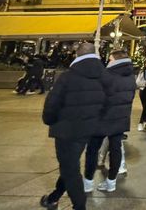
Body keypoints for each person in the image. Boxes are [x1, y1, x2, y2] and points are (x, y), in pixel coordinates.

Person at [40, 42, 107, 210]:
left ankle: (79, 206)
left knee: (70, 169)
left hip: (67, 130)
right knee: (70, 164)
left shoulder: (68, 76)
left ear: (77, 55)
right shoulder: (103, 76)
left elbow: (52, 104)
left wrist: (49, 120)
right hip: (89, 129)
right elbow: (107, 103)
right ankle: (54, 197)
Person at [83, 49, 136, 193]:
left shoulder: (105, 75)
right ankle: (111, 182)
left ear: (115, 60)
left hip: (102, 118)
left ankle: (88, 182)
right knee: (116, 149)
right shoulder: (131, 76)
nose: (108, 61)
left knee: (92, 150)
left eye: (110, 58)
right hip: (121, 118)